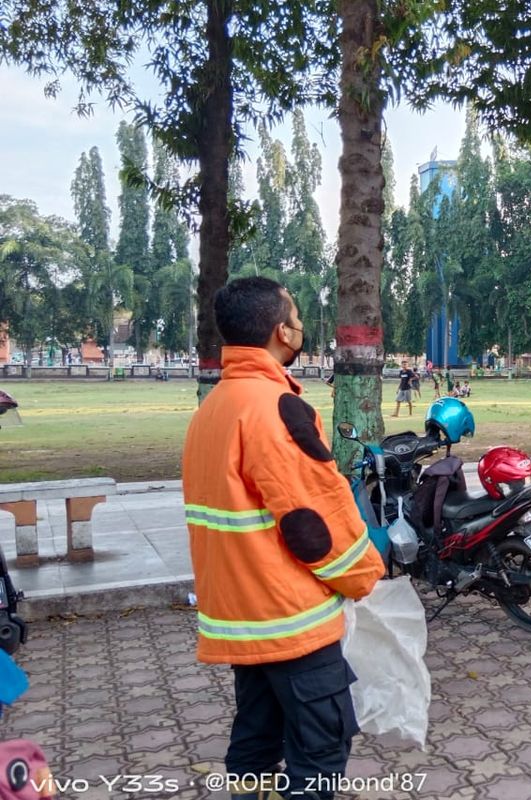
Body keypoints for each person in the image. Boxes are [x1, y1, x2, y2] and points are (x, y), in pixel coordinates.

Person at [181, 276, 383, 800]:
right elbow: (314, 517)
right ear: (280, 331)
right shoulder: (274, 408)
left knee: (256, 739)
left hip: (244, 618)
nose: (299, 328)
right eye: (294, 318)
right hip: (290, 619)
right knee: (319, 749)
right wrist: (364, 576)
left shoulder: (215, 407)